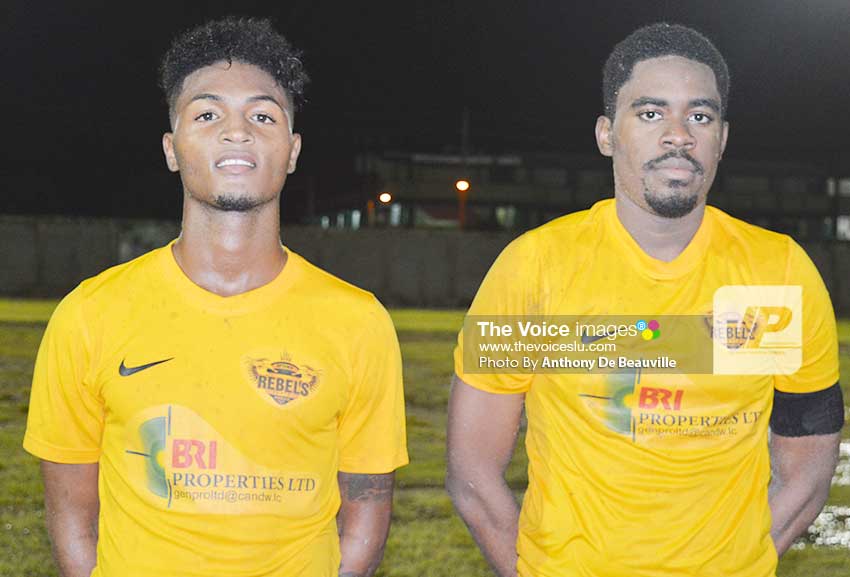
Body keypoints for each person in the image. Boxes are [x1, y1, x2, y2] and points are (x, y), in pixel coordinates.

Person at [447, 23, 843, 577]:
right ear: (607, 133)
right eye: (652, 113)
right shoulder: (535, 267)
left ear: (721, 137)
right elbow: (472, 472)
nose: (679, 134)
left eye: (699, 116)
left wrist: (736, 564)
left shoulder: (778, 272)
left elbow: (808, 473)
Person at [24, 17, 407, 577]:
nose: (238, 132)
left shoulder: (359, 321)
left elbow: (367, 508)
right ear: (171, 147)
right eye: (207, 114)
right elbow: (72, 512)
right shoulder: (89, 314)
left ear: (293, 149)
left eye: (262, 115)